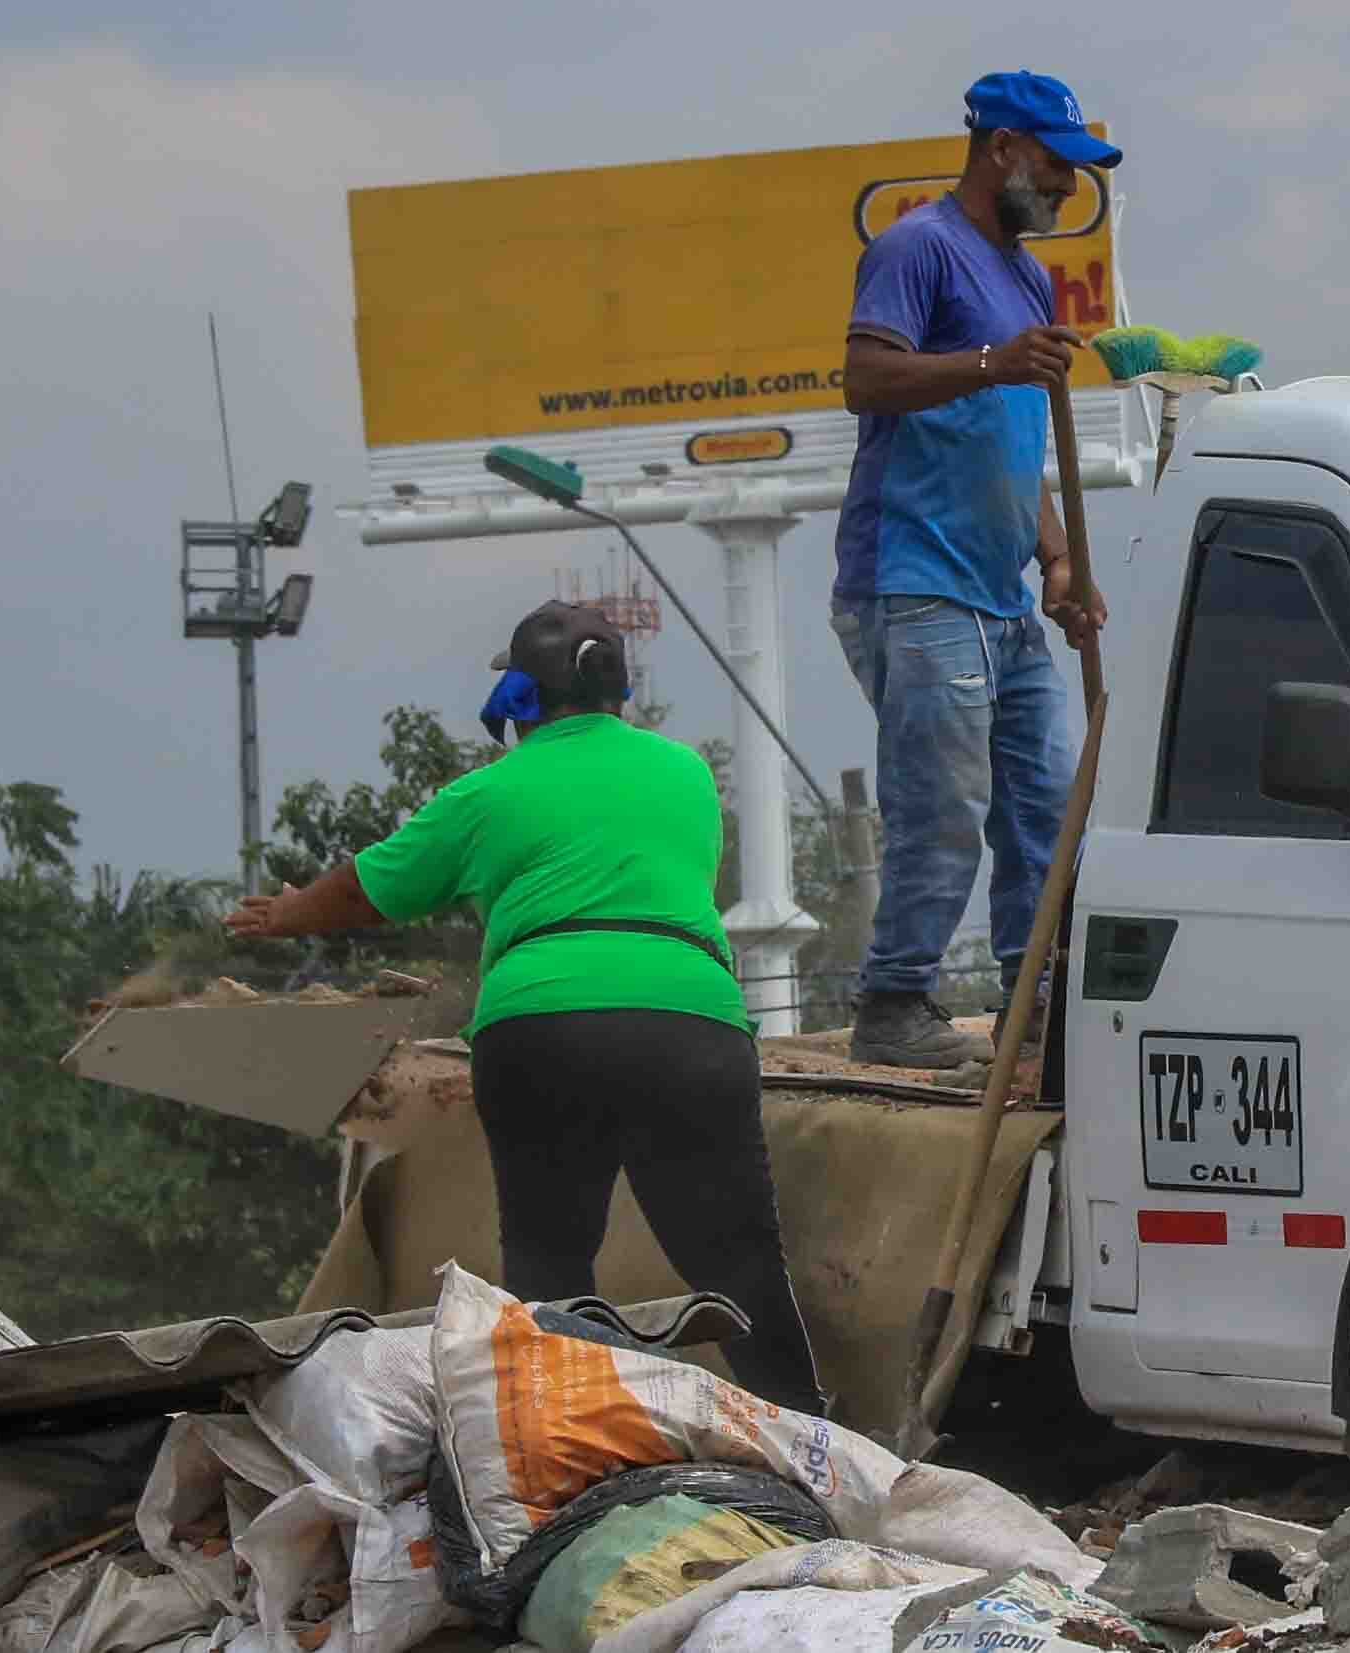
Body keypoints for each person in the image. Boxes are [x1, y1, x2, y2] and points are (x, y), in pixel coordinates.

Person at [225, 601, 828, 1416]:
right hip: (690, 1023)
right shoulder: (686, 773)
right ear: (617, 687)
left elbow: (373, 889)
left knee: (551, 1263)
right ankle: (812, 1440)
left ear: (517, 698)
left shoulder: (486, 794)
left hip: (540, 1032)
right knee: (739, 1259)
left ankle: (562, 1452)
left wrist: (288, 912)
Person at [830, 69, 1117, 1069]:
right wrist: (992, 360)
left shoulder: (1027, 278)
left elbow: (1009, 444)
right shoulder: (918, 248)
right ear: (1001, 149)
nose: (1070, 187)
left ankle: (1032, 1000)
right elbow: (867, 377)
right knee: (943, 805)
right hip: (914, 581)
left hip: (999, 593)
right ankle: (894, 1004)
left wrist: (1059, 555)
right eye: (1055, 163)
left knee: (1047, 801)